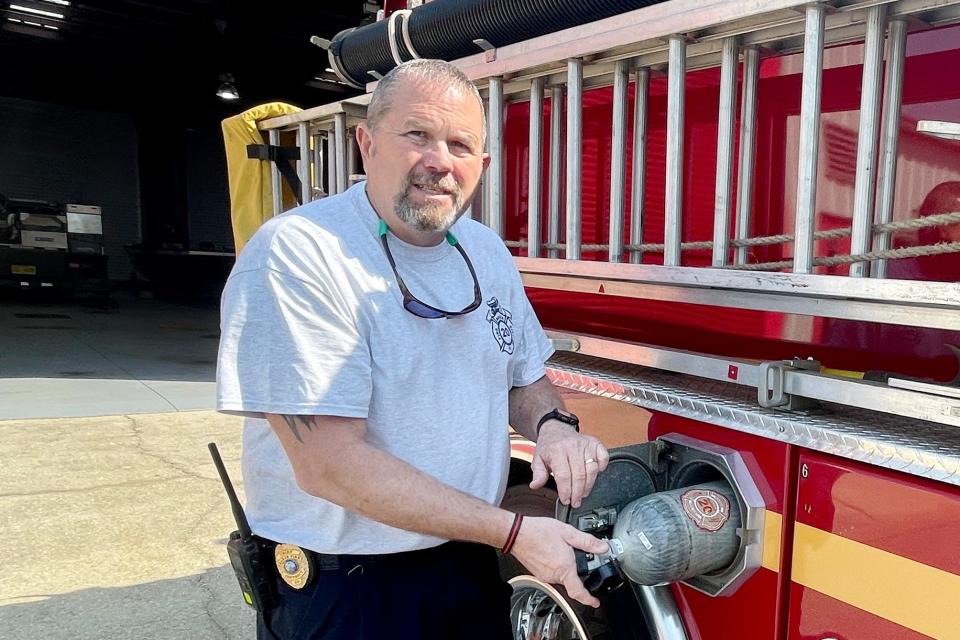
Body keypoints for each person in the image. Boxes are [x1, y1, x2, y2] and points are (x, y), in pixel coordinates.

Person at [217, 58, 610, 640]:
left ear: (482, 165)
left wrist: (553, 425)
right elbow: (330, 466)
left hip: (467, 558)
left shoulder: (484, 252)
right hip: (347, 584)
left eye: (460, 144)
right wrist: (513, 534)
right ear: (366, 142)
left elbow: (520, 373)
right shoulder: (300, 254)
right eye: (418, 135)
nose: (439, 162)